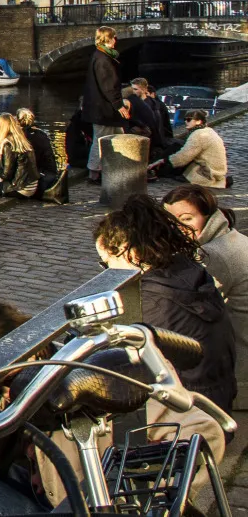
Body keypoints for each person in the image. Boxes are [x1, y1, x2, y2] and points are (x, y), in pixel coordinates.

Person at [0, 300, 227, 517]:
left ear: (31, 357)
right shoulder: (38, 374)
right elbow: (7, 408)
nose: (7, 394)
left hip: (86, 506)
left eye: (6, 384)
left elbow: (204, 431)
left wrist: (128, 488)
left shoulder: (103, 381)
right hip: (52, 492)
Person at [94, 195, 237, 412]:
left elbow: (119, 365)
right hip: (215, 400)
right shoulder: (187, 272)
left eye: (106, 263)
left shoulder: (150, 300)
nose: (107, 272)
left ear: (128, 250)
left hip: (186, 416)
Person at [164, 184, 248, 407]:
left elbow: (192, 314)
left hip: (239, 375)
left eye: (187, 219)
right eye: (171, 221)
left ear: (207, 216)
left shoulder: (212, 255)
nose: (178, 227)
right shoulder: (232, 238)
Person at [81, 25, 130, 180]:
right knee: (101, 139)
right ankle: (94, 172)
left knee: (119, 136)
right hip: (103, 109)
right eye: (114, 37)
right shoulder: (102, 59)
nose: (116, 40)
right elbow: (108, 85)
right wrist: (119, 105)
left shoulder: (103, 56)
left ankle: (118, 167)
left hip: (104, 108)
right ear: (109, 38)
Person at [151, 109, 228, 188]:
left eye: (189, 120)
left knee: (175, 149)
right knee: (177, 146)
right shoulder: (208, 131)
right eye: (185, 119)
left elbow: (184, 156)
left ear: (198, 121)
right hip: (216, 170)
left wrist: (164, 160)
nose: (186, 122)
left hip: (208, 171)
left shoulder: (199, 135)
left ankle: (152, 169)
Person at [0, 113, 39, 198]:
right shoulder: (21, 140)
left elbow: (6, 175)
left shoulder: (8, 144)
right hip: (31, 185)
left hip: (20, 188)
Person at [16, 108, 57, 178]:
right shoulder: (42, 134)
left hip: (30, 175)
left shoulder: (18, 136)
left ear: (18, 120)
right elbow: (49, 157)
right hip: (46, 172)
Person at [64, 107, 92, 173]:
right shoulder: (75, 131)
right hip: (77, 160)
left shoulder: (74, 127)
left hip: (77, 157)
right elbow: (74, 150)